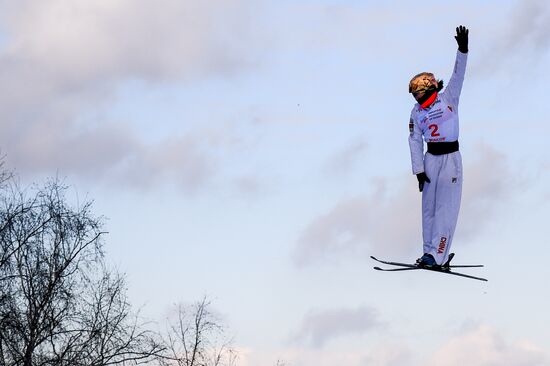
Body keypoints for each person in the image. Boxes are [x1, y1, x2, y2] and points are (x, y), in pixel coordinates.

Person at [408, 25, 469, 268]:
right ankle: (427, 253)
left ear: (429, 89)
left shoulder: (449, 97)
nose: (416, 99)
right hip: (431, 159)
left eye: (418, 94)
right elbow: (414, 139)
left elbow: (458, 74)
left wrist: (462, 51)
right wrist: (419, 170)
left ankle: (439, 254)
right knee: (429, 209)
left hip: (450, 159)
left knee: (446, 208)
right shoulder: (416, 112)